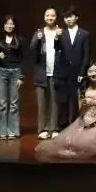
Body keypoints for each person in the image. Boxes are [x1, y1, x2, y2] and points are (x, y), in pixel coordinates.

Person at [35, 62, 96, 161]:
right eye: (90, 71)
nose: (93, 74)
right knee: (76, 145)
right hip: (86, 122)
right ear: (86, 74)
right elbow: (80, 112)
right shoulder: (82, 91)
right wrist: (83, 105)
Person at [30, 8, 67, 140]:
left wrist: (60, 37)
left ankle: (54, 128)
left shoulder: (61, 32)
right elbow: (32, 48)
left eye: (52, 15)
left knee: (55, 102)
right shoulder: (39, 32)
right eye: (47, 15)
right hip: (42, 72)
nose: (50, 17)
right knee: (42, 102)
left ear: (56, 17)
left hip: (56, 72)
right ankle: (43, 129)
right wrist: (37, 39)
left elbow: (66, 50)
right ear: (44, 17)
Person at [0, 15, 25, 140]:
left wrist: (21, 77)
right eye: (7, 24)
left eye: (11, 24)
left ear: (15, 25)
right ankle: (2, 131)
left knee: (14, 103)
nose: (9, 26)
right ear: (4, 25)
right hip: (1, 72)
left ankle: (12, 131)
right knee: (2, 103)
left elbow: (23, 59)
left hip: (15, 73)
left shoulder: (20, 40)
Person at [60, 4, 90, 128]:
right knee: (65, 101)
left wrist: (82, 73)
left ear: (76, 17)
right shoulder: (61, 34)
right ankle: (65, 127)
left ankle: (80, 126)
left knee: (79, 101)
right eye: (66, 17)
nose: (68, 19)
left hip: (79, 73)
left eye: (71, 16)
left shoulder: (84, 34)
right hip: (65, 73)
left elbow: (86, 56)